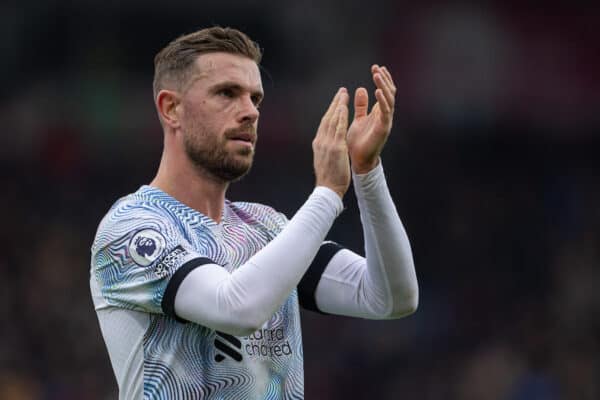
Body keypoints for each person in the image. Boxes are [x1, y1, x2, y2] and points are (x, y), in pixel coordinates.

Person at [90, 26, 418, 400]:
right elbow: (236, 309)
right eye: (227, 93)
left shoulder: (266, 228)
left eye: (255, 99)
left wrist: (367, 172)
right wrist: (327, 193)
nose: (249, 112)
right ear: (171, 108)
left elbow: (391, 297)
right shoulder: (131, 229)